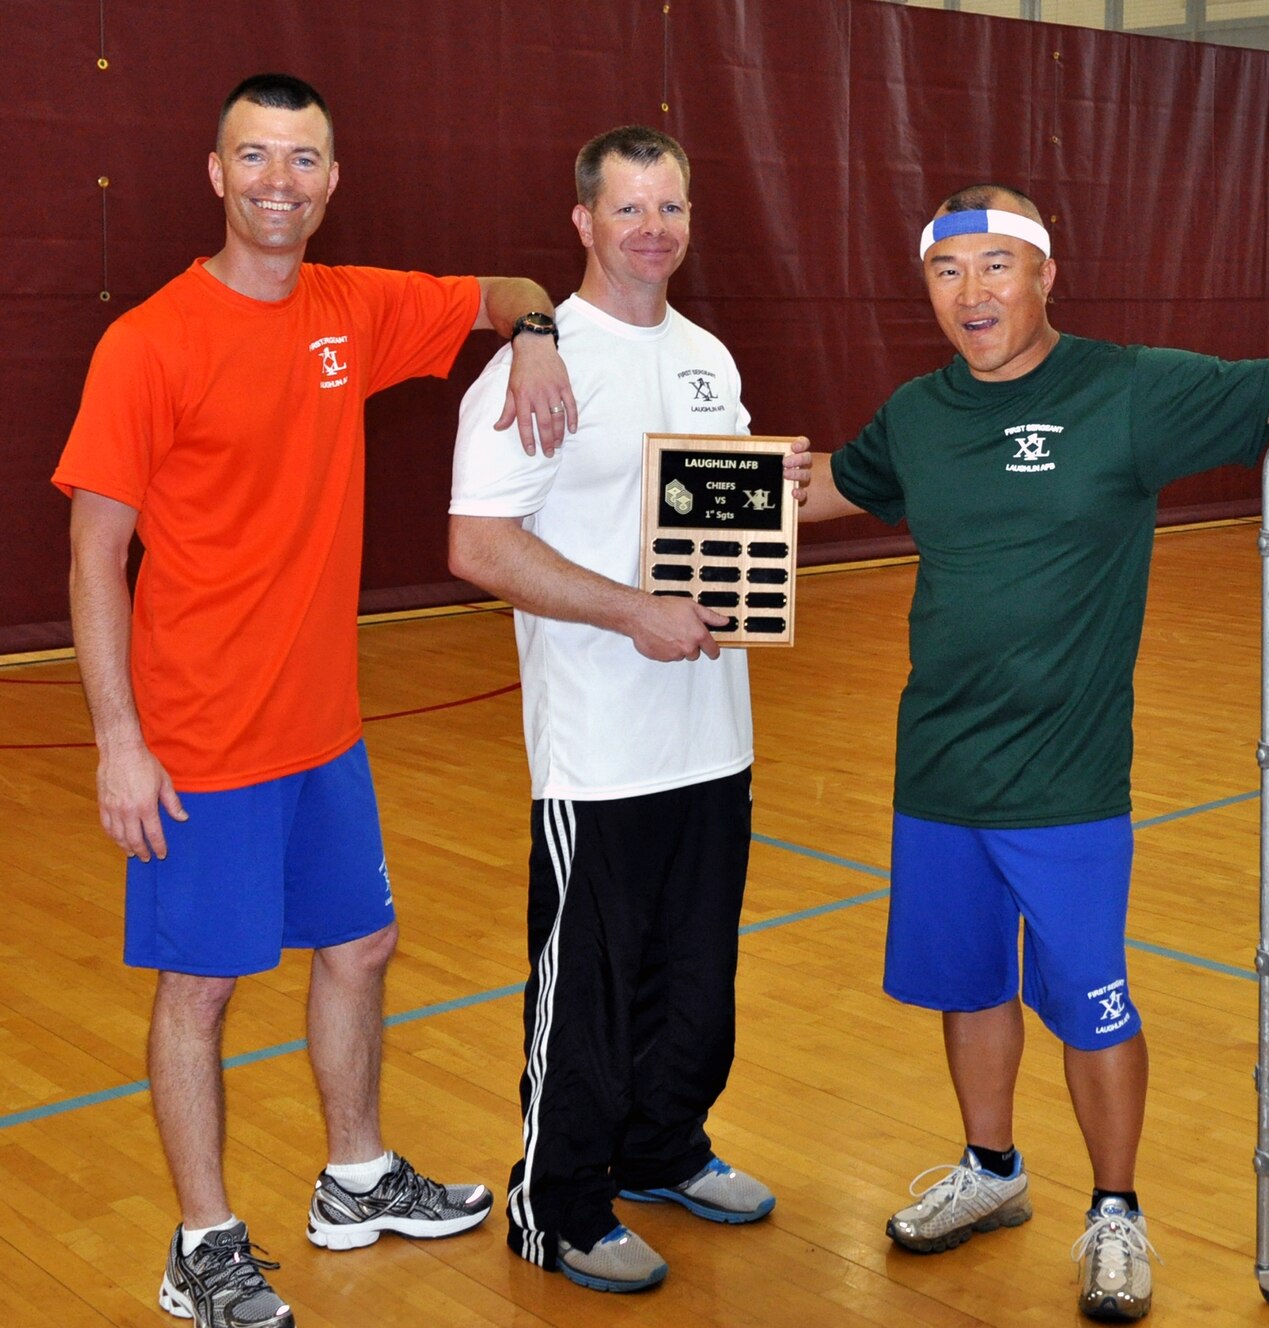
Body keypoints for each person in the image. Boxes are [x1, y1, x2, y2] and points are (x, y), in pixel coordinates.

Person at [783, 184, 1269, 1321]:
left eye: (997, 266)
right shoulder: (918, 412)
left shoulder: (1125, 390)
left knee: (1093, 1002)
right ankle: (990, 1172)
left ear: (1046, 275)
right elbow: (830, 489)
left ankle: (1115, 1209)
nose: (972, 293)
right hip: (937, 762)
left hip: (1068, 775)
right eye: (949, 272)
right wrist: (710, 491)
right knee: (971, 983)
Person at [53, 74, 579, 1328]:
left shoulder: (351, 306)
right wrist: (120, 741)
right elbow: (92, 556)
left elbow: (507, 290)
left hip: (322, 731)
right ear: (217, 173)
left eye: (303, 160)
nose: (279, 181)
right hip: (199, 739)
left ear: (332, 181)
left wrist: (539, 334)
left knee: (359, 944)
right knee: (200, 987)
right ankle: (201, 1241)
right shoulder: (150, 341)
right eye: (255, 157)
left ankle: (355, 1177)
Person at [446, 124, 778, 1296]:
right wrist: (629, 610)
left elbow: (739, 522)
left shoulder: (707, 356)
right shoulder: (535, 367)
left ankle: (662, 1146)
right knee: (584, 988)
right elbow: (479, 543)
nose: (653, 230)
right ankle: (557, 1202)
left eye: (670, 208)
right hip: (597, 750)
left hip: (713, 735)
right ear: (582, 221)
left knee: (695, 976)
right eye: (629, 209)